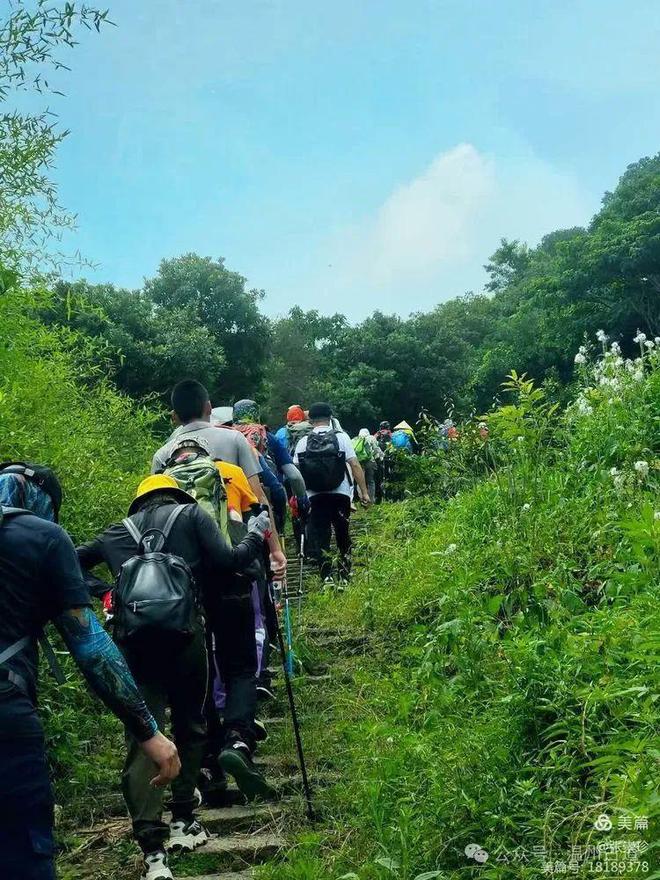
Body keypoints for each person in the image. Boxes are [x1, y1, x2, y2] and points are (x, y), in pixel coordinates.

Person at [77, 474, 271, 876]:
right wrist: (256, 531)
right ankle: (184, 817)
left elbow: (70, 564)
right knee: (191, 722)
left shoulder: (117, 533)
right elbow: (229, 560)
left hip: (133, 645)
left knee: (143, 731)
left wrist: (104, 591)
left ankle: (152, 849)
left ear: (139, 502)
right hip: (186, 639)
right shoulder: (192, 515)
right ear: (176, 494)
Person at [0, 462, 180, 880]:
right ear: (40, 496)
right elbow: (92, 647)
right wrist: (148, 731)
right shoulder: (42, 537)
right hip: (6, 717)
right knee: (23, 855)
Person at [152, 380, 286, 577]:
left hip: (184, 558)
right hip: (237, 548)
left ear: (175, 416)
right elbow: (259, 499)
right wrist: (275, 549)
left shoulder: (162, 454)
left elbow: (156, 511)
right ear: (209, 407)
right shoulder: (234, 439)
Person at [294, 403, 370, 586]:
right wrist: (364, 493)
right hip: (340, 494)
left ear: (310, 420)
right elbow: (355, 465)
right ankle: (345, 574)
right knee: (343, 533)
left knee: (321, 536)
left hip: (315, 495)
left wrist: (299, 496)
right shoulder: (341, 438)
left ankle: (326, 576)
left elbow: (295, 473)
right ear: (330, 417)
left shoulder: (303, 442)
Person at [352, 428, 381, 503]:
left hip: (359, 462)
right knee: (370, 481)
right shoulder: (371, 438)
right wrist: (380, 456)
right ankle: (371, 500)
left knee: (360, 481)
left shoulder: (355, 439)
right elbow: (376, 449)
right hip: (369, 461)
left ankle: (362, 499)